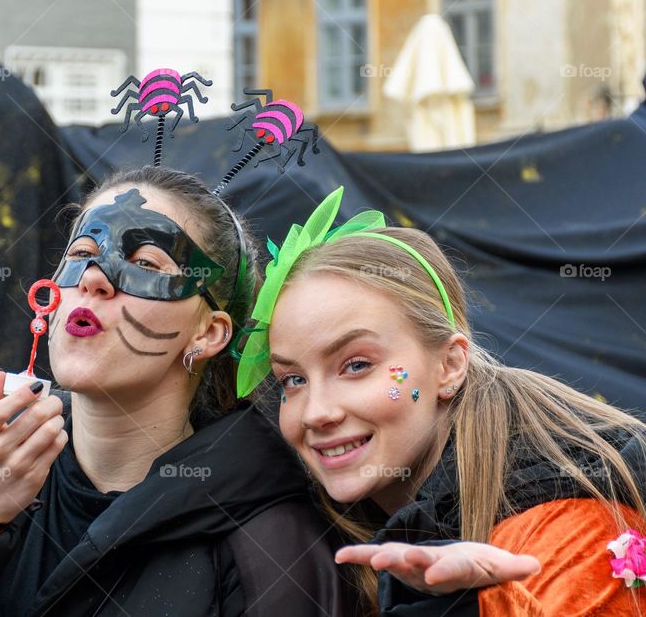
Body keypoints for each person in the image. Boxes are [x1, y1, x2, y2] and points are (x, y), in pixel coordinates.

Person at [0, 167, 346, 616]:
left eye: (143, 262)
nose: (94, 280)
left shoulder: (268, 539)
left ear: (209, 333)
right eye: (81, 255)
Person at [235, 186, 646, 615]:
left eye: (356, 365)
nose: (317, 412)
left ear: (449, 365)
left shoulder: (567, 536)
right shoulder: (320, 533)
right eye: (293, 380)